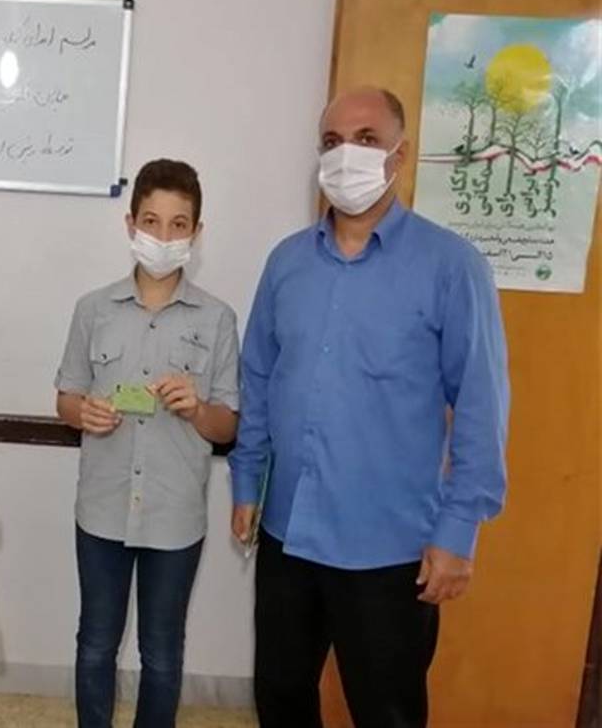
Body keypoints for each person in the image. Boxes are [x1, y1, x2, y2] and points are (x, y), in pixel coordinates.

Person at [229, 87, 509, 727]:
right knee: (280, 700)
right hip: (288, 536)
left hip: (389, 551)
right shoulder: (287, 263)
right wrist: (247, 480)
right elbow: (260, 375)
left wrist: (458, 531)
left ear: (399, 156)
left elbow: (481, 403)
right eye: (331, 142)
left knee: (387, 713)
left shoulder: (452, 267)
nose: (345, 155)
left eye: (366, 140)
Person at [54, 159, 240, 727]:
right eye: (152, 221)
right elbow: (65, 398)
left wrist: (198, 409)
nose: (163, 236)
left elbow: (226, 426)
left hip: (175, 516)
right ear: (131, 223)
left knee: (161, 653)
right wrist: (82, 412)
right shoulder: (93, 309)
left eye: (178, 224)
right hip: (102, 509)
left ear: (196, 232)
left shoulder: (218, 319)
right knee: (95, 644)